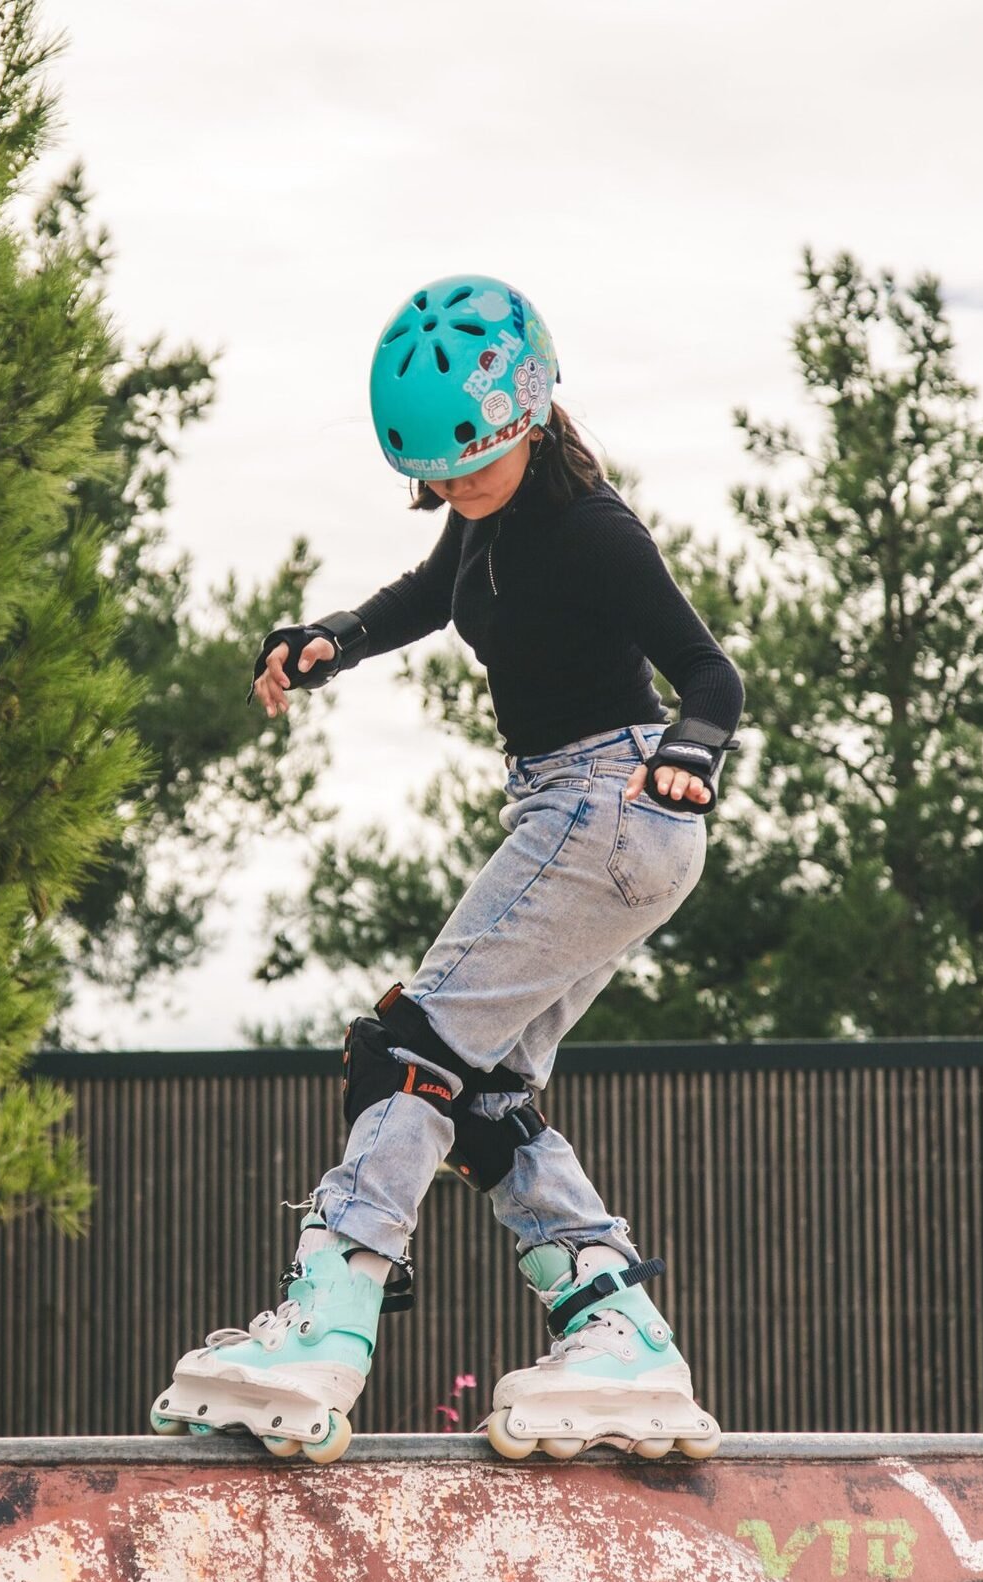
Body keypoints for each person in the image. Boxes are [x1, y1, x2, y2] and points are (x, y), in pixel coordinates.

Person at [151, 274, 741, 1464]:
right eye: (437, 479)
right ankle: (613, 1320)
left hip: (613, 804)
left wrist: (690, 751)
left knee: (404, 1048)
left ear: (528, 418)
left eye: (473, 469)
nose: (455, 493)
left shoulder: (593, 529)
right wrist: (333, 640)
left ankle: (330, 1311)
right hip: (582, 818)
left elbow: (710, 672)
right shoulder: (485, 517)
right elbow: (432, 592)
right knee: (482, 1094)